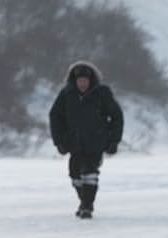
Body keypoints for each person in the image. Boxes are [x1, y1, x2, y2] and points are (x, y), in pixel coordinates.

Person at [49, 61, 123, 219]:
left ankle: (87, 206)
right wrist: (59, 141)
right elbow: (55, 117)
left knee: (90, 173)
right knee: (75, 175)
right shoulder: (66, 94)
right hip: (74, 143)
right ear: (74, 81)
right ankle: (84, 202)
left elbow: (117, 116)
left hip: (95, 143)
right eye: (79, 80)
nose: (82, 83)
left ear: (91, 80)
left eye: (85, 80)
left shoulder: (102, 93)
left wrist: (113, 141)